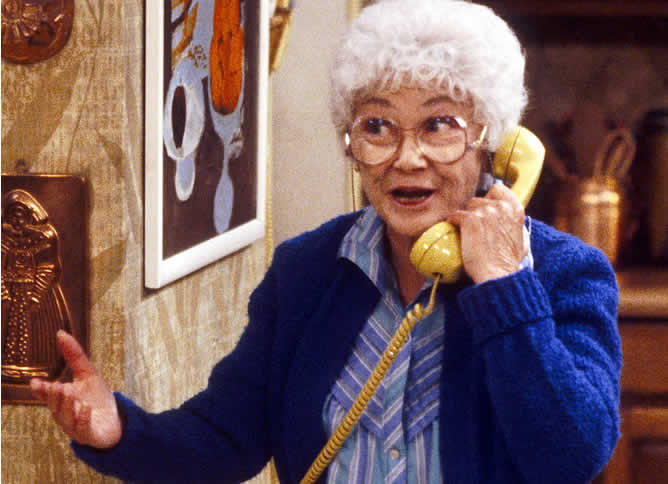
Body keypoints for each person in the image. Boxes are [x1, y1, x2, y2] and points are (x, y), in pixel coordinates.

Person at [31, 0, 622, 482]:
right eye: (377, 126)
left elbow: (571, 458)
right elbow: (225, 438)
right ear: (351, 144)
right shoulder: (307, 270)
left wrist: (506, 287)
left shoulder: (565, 273)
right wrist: (119, 431)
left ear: (491, 140)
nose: (406, 157)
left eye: (439, 125)